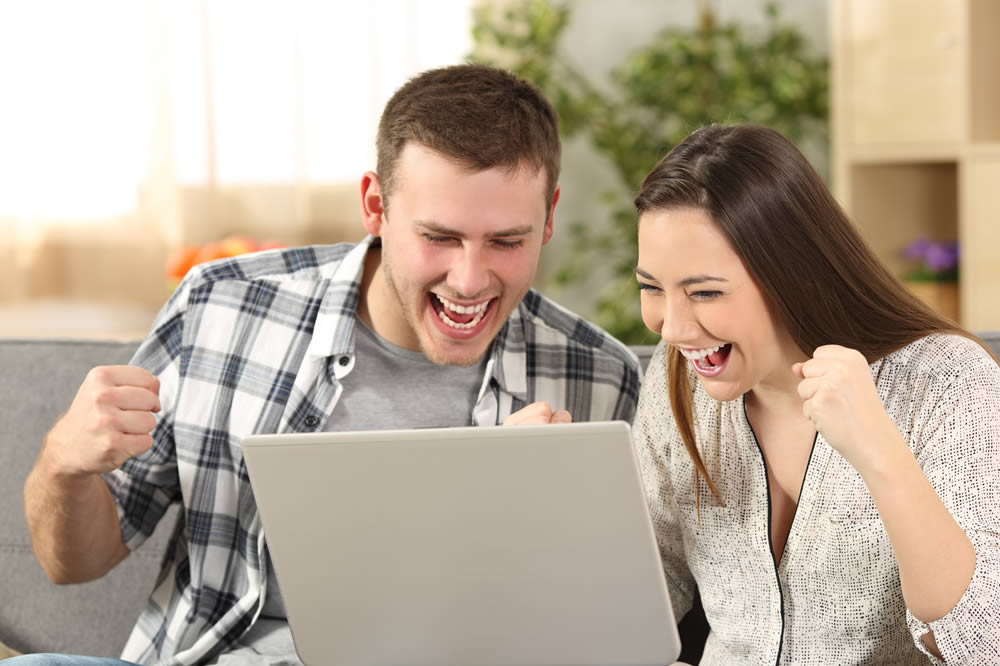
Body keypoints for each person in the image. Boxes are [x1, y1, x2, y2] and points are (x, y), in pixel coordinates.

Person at [18, 64, 641, 666]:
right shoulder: (222, 305)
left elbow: (609, 634)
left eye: (507, 241)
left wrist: (520, 516)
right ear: (375, 205)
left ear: (550, 217)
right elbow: (70, 563)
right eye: (439, 237)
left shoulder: (601, 382)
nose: (470, 279)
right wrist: (63, 465)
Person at [631, 123, 1000, 664]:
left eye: (705, 292)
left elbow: (982, 643)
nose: (673, 328)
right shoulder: (680, 381)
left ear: (789, 275)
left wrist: (878, 451)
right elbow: (647, 594)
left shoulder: (946, 382)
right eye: (651, 288)